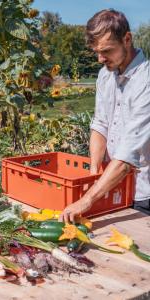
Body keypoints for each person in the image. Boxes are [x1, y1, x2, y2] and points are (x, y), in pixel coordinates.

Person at [59, 9, 150, 222]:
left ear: (127, 39)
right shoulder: (105, 75)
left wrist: (87, 200)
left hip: (143, 192)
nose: (100, 59)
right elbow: (100, 124)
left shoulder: (146, 83)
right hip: (111, 187)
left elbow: (129, 154)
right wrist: (93, 174)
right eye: (96, 51)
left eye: (107, 51)